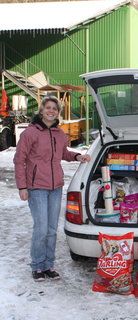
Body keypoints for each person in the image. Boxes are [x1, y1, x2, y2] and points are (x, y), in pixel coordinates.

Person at [14, 96, 91, 282]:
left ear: (58, 112)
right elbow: (19, 160)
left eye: (54, 109)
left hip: (55, 186)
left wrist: (77, 156)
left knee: (51, 229)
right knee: (40, 228)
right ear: (41, 111)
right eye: (48, 108)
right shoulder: (30, 133)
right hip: (36, 187)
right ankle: (37, 266)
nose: (51, 111)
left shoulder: (59, 133)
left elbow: (63, 153)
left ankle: (49, 265)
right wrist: (22, 187)